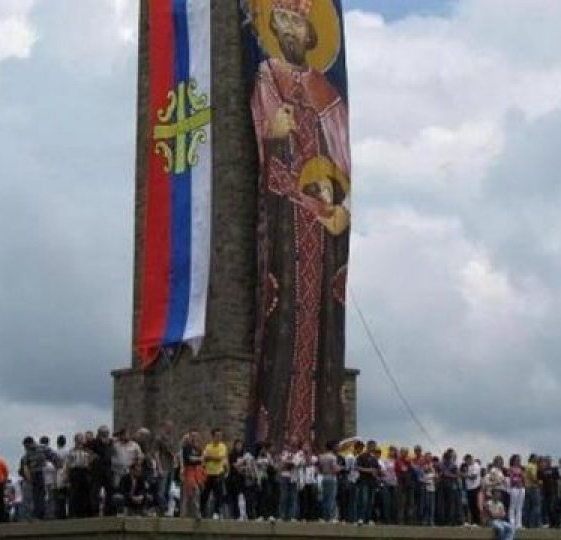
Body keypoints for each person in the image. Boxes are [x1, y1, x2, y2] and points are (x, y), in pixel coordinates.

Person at [248, 0, 352, 447]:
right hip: (284, 216)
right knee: (284, 307)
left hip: (319, 223)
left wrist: (332, 199)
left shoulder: (325, 89)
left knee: (319, 314)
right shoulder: (266, 75)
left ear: (311, 32)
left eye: (297, 21)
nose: (290, 28)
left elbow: (340, 153)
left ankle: (315, 429)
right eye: (283, 20)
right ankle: (277, 431)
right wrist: (272, 132)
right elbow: (264, 132)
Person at [200, 428, 228, 519]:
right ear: (213, 436)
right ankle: (202, 512)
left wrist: (210, 457)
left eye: (220, 436)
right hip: (208, 473)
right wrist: (211, 458)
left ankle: (216, 512)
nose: (218, 438)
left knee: (218, 494)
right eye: (217, 436)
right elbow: (204, 458)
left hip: (218, 473)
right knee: (205, 494)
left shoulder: (222, 446)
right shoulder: (208, 446)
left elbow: (219, 457)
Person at [278, 435, 303, 521]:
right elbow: (282, 464)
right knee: (283, 497)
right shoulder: (284, 452)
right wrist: (288, 463)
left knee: (293, 497)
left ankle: (291, 516)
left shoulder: (300, 453)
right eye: (292, 440)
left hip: (294, 477)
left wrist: (287, 463)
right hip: (284, 476)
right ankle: (282, 516)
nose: (293, 443)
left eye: (295, 441)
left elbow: (294, 464)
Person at [180, 430, 204, 519]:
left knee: (195, 493)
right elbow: (189, 459)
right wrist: (197, 459)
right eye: (192, 436)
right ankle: (184, 514)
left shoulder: (198, 449)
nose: (194, 438)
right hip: (188, 471)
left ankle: (195, 513)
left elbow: (201, 460)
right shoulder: (186, 448)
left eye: (196, 436)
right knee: (189, 492)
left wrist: (197, 459)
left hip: (197, 472)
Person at [226, 439, 247, 520]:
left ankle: (241, 514)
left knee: (241, 496)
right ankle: (233, 514)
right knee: (233, 498)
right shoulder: (232, 455)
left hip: (241, 479)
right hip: (233, 479)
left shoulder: (243, 455)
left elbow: (246, 467)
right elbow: (235, 466)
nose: (239, 447)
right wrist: (241, 464)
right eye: (238, 445)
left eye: (240, 445)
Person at [508, 455, 525, 529]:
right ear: (513, 460)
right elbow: (511, 478)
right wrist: (517, 481)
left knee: (519, 506)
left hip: (521, 488)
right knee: (513, 506)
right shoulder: (511, 469)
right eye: (517, 459)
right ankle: (512, 523)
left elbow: (523, 478)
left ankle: (519, 524)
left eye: (519, 459)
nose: (518, 461)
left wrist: (522, 483)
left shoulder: (521, 469)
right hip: (514, 488)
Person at [464, 454, 482, 526]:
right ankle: (472, 521)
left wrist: (464, 475)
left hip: (475, 487)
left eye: (467, 460)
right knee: (471, 506)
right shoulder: (469, 466)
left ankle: (477, 522)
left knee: (475, 505)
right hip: (469, 488)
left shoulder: (476, 466)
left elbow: (473, 477)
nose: (466, 462)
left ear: (470, 459)